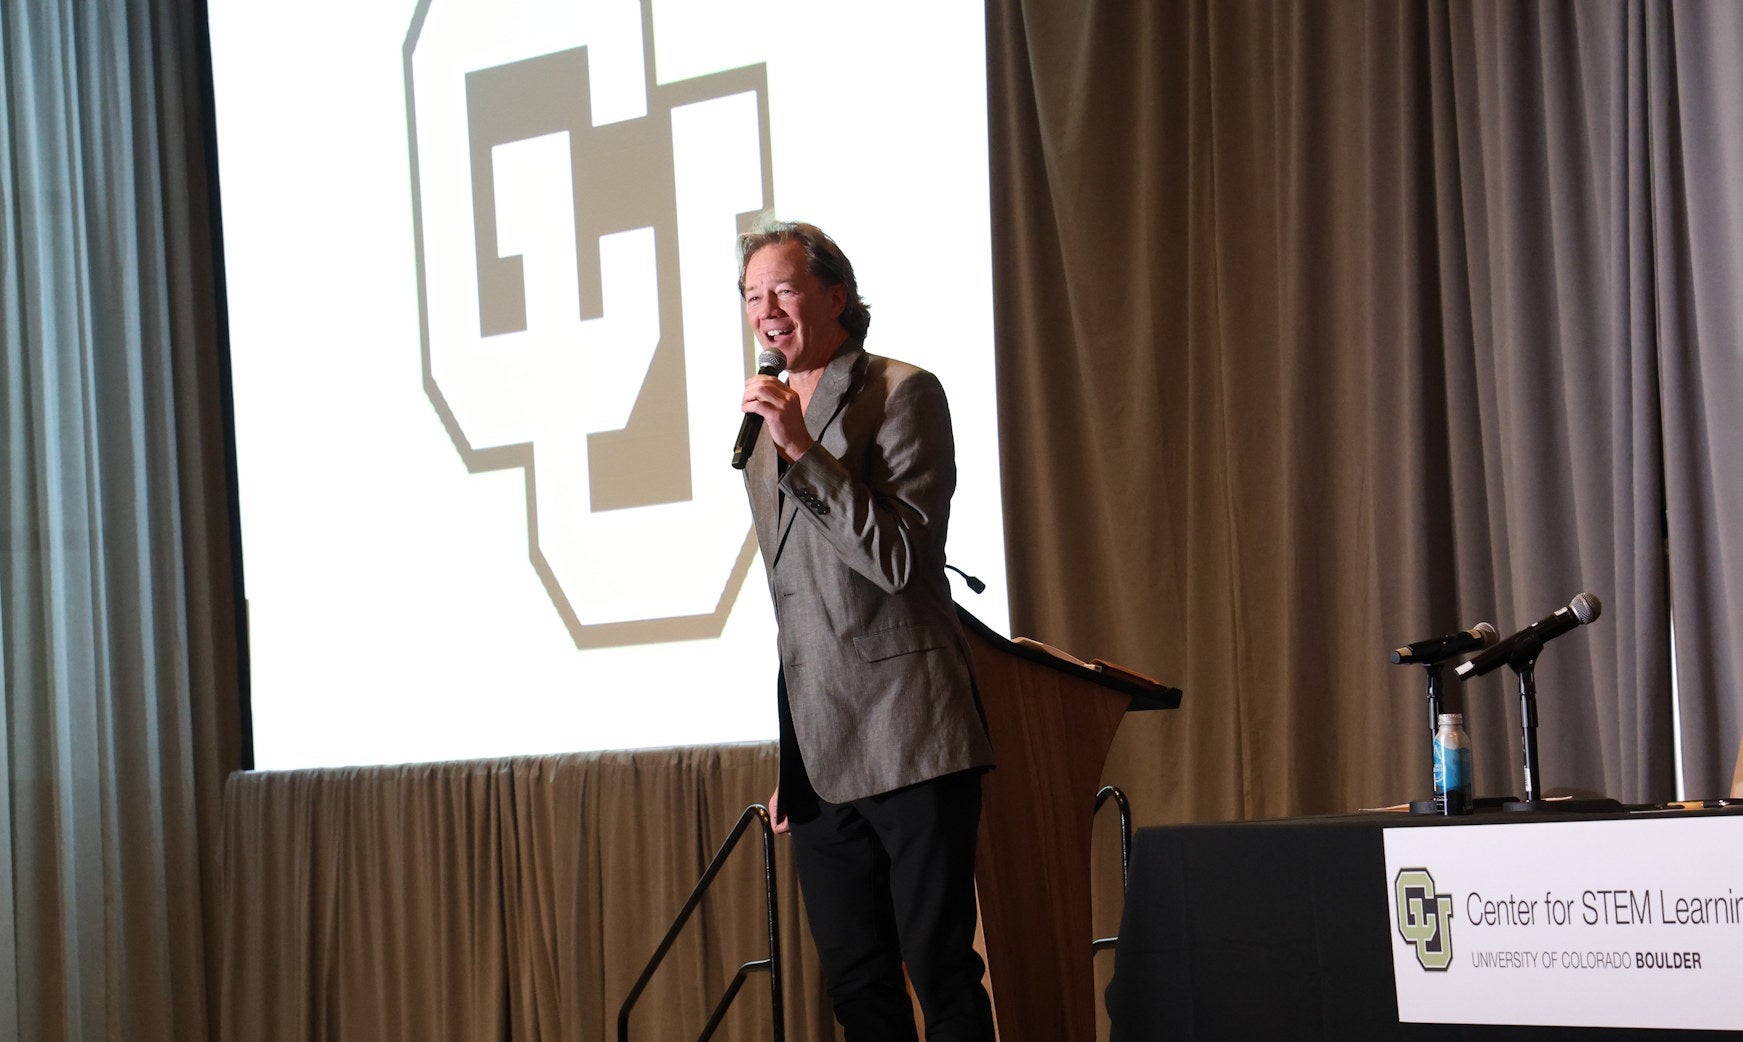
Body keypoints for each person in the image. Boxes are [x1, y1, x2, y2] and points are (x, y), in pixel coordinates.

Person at [736, 219, 997, 1042]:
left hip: (911, 732)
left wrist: (802, 447)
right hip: (821, 753)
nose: (766, 311)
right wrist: (794, 753)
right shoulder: (764, 423)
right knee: (855, 984)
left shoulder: (902, 391)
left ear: (836, 296)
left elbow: (897, 560)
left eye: (782, 288)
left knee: (940, 969)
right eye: (751, 296)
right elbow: (796, 606)